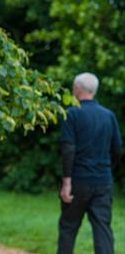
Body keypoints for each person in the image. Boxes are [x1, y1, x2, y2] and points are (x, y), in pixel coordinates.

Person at [58, 72, 122, 254]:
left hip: (78, 181)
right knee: (103, 230)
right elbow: (117, 149)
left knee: (68, 228)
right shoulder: (109, 115)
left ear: (77, 89)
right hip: (103, 181)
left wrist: (66, 183)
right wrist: (106, 169)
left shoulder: (71, 114)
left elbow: (68, 149)